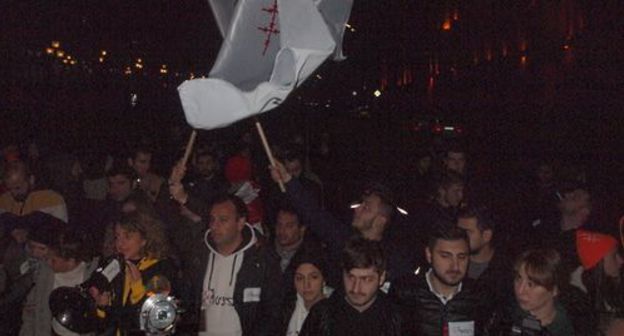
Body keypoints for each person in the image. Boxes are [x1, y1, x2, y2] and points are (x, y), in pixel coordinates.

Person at [270, 161, 415, 282]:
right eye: (361, 204)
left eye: (366, 208)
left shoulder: (394, 260)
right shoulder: (343, 239)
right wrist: (287, 179)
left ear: (380, 221)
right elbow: (313, 214)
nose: (357, 210)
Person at [185, 194, 283, 335]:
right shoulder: (198, 257)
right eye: (212, 220)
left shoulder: (261, 260)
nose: (215, 226)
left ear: (240, 222)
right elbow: (190, 306)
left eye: (223, 220)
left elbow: (273, 313)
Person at [389, 226, 492, 336]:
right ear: (429, 255)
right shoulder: (406, 293)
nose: (455, 266)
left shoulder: (481, 296)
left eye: (461, 257)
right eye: (445, 256)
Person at [89, 212, 176, 335]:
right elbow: (106, 324)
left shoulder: (162, 269)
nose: (120, 243)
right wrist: (102, 307)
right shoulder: (115, 266)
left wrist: (137, 288)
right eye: (117, 237)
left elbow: (155, 321)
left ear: (144, 239)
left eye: (127, 237)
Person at [299, 237, 402, 336]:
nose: (356, 288)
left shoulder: (398, 318)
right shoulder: (321, 315)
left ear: (381, 278)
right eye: (351, 277)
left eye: (365, 279)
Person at [19, 227, 98, 336]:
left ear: (71, 261)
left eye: (54, 260)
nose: (48, 262)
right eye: (48, 257)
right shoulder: (45, 273)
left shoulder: (92, 276)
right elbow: (31, 309)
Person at [490, 248, 575, 336]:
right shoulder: (501, 316)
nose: (520, 290)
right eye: (518, 279)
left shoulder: (568, 329)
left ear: (554, 290)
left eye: (531, 284)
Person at [457, 206, 513, 308]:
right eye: (458, 231)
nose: (460, 237)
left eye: (467, 233)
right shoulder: (451, 264)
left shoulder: (506, 270)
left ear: (486, 235)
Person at [573, 229, 624, 333]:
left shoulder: (611, 284)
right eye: (614, 256)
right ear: (599, 263)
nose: (621, 260)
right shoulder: (576, 300)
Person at [281, 248, 332, 336]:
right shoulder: (287, 306)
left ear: (324, 279)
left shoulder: (335, 310)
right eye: (300, 278)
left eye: (313, 277)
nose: (306, 285)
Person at [0, 161, 68, 222]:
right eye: (10, 189)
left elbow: (60, 232)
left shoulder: (52, 200)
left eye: (18, 188)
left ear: (31, 180)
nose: (14, 193)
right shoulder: (3, 201)